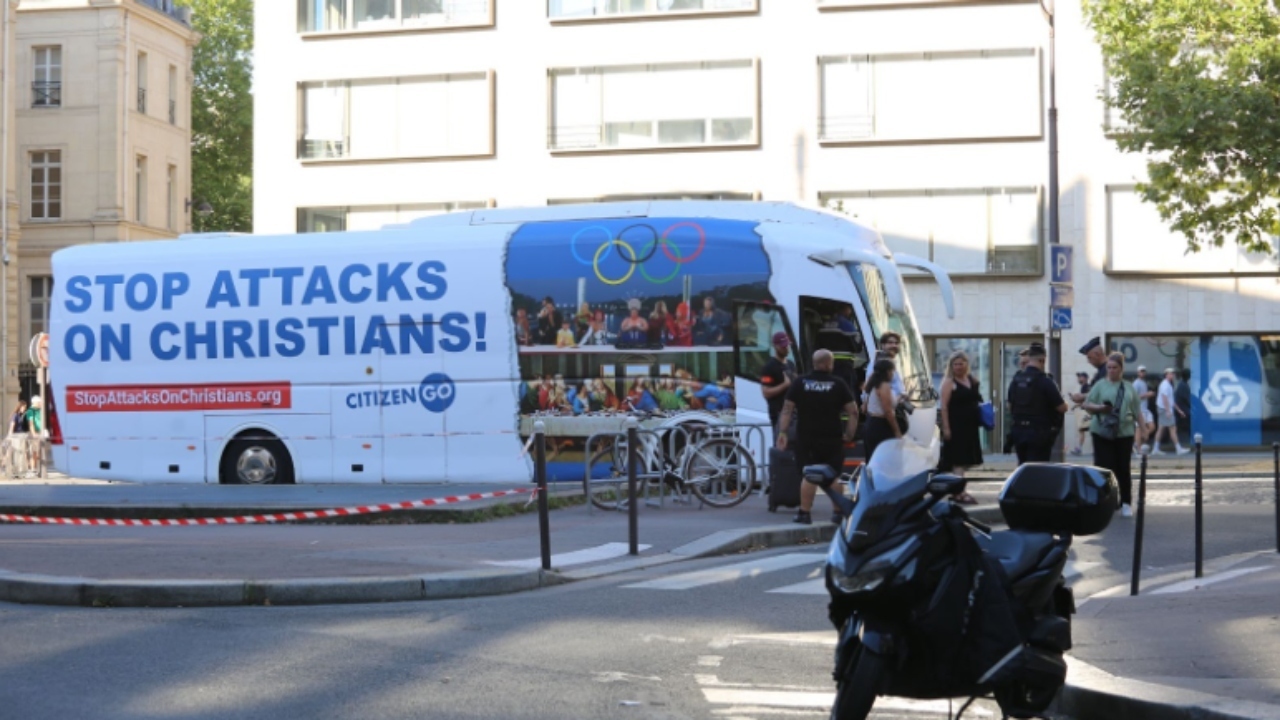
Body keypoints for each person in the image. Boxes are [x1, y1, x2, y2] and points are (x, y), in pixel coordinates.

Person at [775, 349, 859, 526]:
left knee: (808, 474)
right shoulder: (838, 383)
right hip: (832, 437)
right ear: (829, 364)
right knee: (834, 475)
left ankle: (804, 513)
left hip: (806, 437)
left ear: (814, 364)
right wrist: (849, 434)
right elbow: (853, 412)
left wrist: (782, 432)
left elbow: (787, 409)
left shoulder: (800, 382)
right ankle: (837, 513)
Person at [1082, 352, 1144, 517]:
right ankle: (1106, 501)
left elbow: (1137, 410)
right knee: (1104, 468)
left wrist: (1143, 431)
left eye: (1114, 367)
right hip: (1102, 432)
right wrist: (1101, 408)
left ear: (1121, 369)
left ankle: (1126, 502)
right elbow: (1087, 405)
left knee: (1123, 468)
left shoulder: (1128, 387)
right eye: (1109, 367)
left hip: (1124, 432)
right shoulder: (1100, 385)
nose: (1111, 370)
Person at [1006, 342, 1067, 465]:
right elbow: (1061, 408)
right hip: (1039, 433)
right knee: (1038, 468)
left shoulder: (1016, 380)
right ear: (1042, 360)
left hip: (1018, 431)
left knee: (1023, 467)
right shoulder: (1046, 381)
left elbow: (1010, 406)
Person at [937, 351, 982, 504]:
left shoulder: (971, 380)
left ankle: (960, 490)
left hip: (970, 426)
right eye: (955, 364)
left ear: (966, 365)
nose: (958, 367)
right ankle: (958, 492)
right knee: (958, 460)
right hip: (956, 425)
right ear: (951, 366)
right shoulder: (949, 382)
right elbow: (943, 406)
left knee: (965, 461)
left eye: (961, 364)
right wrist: (946, 428)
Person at [861, 358, 902, 464]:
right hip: (881, 426)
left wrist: (899, 398)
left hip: (870, 423)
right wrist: (897, 431)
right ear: (888, 371)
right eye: (893, 371)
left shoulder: (872, 383)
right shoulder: (884, 386)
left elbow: (865, 407)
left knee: (872, 460)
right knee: (884, 462)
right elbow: (888, 411)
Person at [760, 331, 797, 435]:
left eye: (787, 345)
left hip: (793, 413)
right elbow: (766, 392)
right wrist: (785, 385)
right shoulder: (769, 367)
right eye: (783, 346)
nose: (786, 349)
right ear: (775, 346)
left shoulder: (791, 364)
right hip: (778, 413)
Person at [1152, 367, 1190, 455]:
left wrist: (1179, 410)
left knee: (1161, 429)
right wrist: (1168, 411)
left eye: (1173, 373)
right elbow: (1164, 398)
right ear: (1166, 375)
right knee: (1172, 428)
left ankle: (1155, 448)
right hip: (1164, 409)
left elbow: (1171, 400)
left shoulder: (1168, 384)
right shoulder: (1165, 385)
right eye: (1170, 373)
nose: (1172, 375)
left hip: (1163, 409)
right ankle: (1178, 449)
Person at [1071, 336, 1107, 405]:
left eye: (1090, 358)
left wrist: (1083, 396)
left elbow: (1104, 394)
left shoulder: (1107, 370)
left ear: (1097, 354)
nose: (1088, 361)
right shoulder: (1101, 370)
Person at [1070, 371, 1092, 455]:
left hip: (1086, 412)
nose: (1079, 378)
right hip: (1084, 411)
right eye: (1078, 377)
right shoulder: (1083, 387)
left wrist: (1076, 405)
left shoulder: (1086, 387)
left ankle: (1080, 448)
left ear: (1085, 378)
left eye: (1081, 377)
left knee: (1086, 429)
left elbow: (1087, 399)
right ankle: (1079, 448)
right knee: (1082, 430)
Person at [1133, 366, 1155, 444]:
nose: (1142, 373)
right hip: (1139, 409)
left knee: (1152, 427)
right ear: (1138, 373)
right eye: (1141, 371)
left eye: (1144, 371)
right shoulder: (1136, 383)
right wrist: (1147, 394)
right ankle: (1138, 447)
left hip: (1145, 409)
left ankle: (1139, 441)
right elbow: (1134, 397)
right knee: (1139, 428)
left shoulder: (1144, 383)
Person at [25, 395, 44, 475]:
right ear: (35, 402)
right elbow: (31, 423)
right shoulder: (30, 411)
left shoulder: (39, 410)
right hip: (34, 433)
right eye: (40, 402)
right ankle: (33, 468)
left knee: (39, 451)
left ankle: (38, 468)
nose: (41, 404)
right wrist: (34, 434)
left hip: (40, 432)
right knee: (34, 451)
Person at [1175, 368, 1193, 446]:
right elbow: (1186, 399)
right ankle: (1188, 440)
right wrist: (1192, 407)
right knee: (1189, 424)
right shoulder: (1183, 385)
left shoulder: (1183, 384)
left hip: (1183, 409)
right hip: (1182, 409)